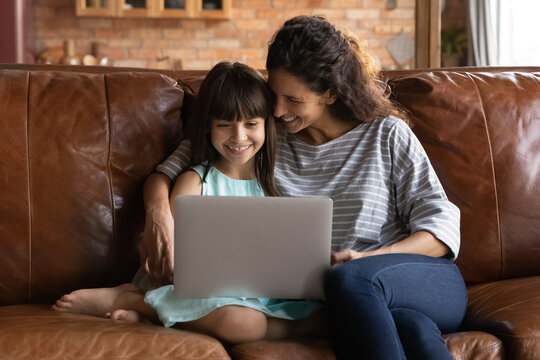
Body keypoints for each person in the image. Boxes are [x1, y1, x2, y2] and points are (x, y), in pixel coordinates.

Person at [140, 15, 468, 360]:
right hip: (355, 303)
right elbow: (173, 168)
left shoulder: (386, 134)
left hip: (421, 279)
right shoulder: (262, 137)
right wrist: (159, 213)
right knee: (410, 327)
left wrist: (367, 260)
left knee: (348, 280)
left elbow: (440, 230)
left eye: (293, 101)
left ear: (329, 93)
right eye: (274, 95)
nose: (278, 111)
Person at [52, 61, 325, 344]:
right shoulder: (195, 182)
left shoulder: (274, 186)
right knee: (247, 324)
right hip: (199, 295)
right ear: (208, 128)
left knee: (326, 317)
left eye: (251, 124)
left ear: (268, 125)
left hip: (260, 297)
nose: (239, 137)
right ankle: (134, 301)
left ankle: (156, 316)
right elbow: (171, 257)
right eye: (224, 125)